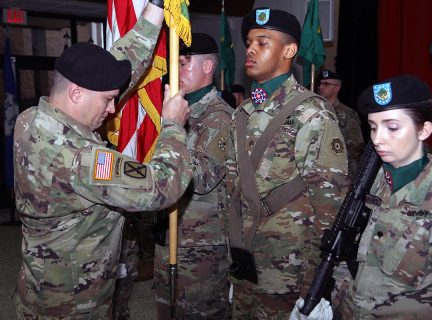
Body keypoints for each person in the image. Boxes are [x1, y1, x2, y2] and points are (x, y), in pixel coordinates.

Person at [13, 1, 193, 318]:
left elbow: (119, 63)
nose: (112, 110)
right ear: (77, 93)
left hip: (40, 287)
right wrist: (173, 126)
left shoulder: (29, 120)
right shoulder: (81, 158)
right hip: (74, 303)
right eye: (108, 100)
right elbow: (162, 185)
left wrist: (154, 8)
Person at [225, 8, 348, 319]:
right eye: (250, 42)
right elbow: (233, 190)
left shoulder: (311, 113)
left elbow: (329, 205)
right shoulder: (242, 113)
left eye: (262, 43)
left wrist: (315, 282)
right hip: (245, 261)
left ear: (289, 50)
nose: (250, 49)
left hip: (288, 272)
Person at [334, 75, 432, 318]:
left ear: (424, 130)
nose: (377, 139)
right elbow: (344, 256)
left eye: (392, 127)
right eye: (372, 127)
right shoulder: (367, 189)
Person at [154, 33, 233, 319]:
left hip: (200, 246)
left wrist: (172, 129)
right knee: (166, 310)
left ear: (207, 67)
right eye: (173, 64)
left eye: (183, 64)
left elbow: (202, 178)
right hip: (169, 234)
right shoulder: (174, 111)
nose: (175, 72)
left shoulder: (219, 117)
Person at [317, 70, 365, 180]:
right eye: (320, 83)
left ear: (337, 88)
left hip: (341, 172)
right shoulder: (315, 110)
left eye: (326, 84)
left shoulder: (348, 114)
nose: (320, 87)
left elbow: (356, 148)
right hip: (318, 171)